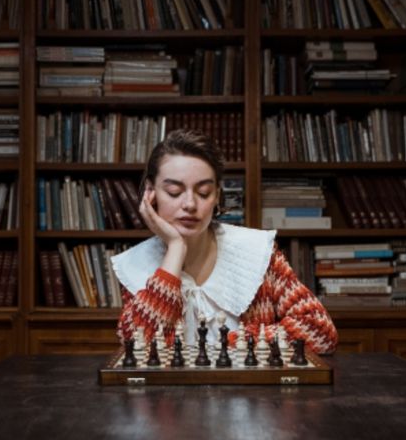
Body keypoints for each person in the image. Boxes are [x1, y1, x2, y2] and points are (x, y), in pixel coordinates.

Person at [111, 129, 337, 354]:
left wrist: (230, 345)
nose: (190, 204)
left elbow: (320, 331)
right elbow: (138, 349)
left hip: (249, 389)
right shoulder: (135, 264)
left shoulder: (256, 253)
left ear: (217, 195)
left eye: (204, 192)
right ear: (150, 192)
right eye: (174, 191)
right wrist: (175, 248)